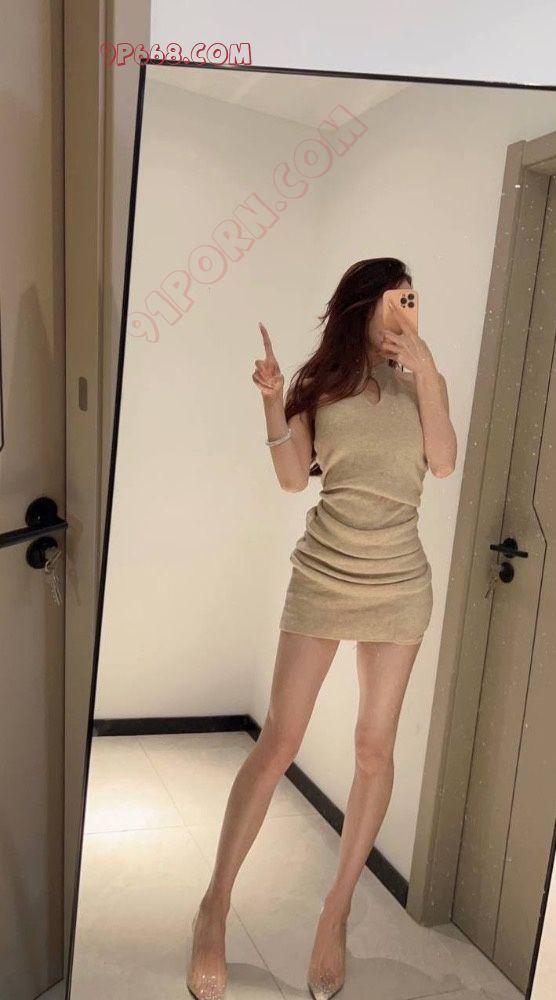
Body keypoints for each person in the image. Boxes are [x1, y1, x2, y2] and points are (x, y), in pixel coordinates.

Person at [186, 257, 457, 1000]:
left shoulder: (421, 382)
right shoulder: (319, 383)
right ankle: (214, 906)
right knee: (279, 742)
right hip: (324, 575)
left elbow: (442, 463)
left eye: (411, 299)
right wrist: (273, 402)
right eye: (393, 298)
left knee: (374, 749)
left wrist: (428, 370)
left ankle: (334, 915)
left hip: (398, 586)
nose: (403, 311)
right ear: (361, 305)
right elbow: (290, 477)